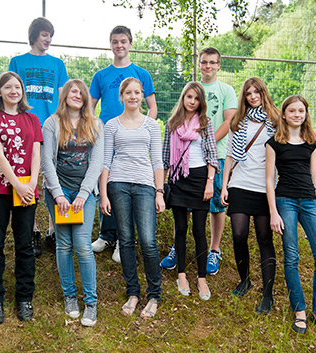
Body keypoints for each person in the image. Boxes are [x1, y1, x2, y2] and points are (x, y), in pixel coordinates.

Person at [265, 95, 316, 337]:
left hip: (309, 203)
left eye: (301, 111)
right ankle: (299, 310)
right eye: (292, 111)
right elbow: (269, 180)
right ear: (284, 114)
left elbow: (315, 177)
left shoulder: (312, 143)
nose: (297, 114)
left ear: (306, 114)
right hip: (285, 201)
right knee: (292, 258)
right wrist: (273, 212)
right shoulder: (274, 143)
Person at [161, 47, 237, 276]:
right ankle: (178, 245)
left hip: (216, 153)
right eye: (204, 62)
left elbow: (229, 121)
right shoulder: (191, 90)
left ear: (219, 65)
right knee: (181, 206)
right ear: (199, 64)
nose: (208, 66)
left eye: (213, 63)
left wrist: (206, 141)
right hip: (185, 160)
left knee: (215, 203)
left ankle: (214, 249)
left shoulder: (226, 90)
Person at [89, 25, 158, 263]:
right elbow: (90, 108)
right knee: (107, 182)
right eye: (115, 41)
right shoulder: (100, 76)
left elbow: (153, 107)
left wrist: (141, 130)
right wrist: (96, 130)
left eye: (123, 41)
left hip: (133, 139)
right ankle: (106, 234)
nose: (119, 45)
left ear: (130, 44)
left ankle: (122, 239)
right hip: (109, 137)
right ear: (111, 44)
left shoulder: (142, 74)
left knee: (128, 185)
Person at [99, 77, 165, 318]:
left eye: (138, 93)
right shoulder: (112, 125)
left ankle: (154, 294)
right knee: (125, 240)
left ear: (142, 96)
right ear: (121, 96)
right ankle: (133, 293)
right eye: (129, 93)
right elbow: (105, 162)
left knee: (148, 241)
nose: (134, 97)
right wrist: (103, 194)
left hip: (145, 185)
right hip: (118, 185)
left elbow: (157, 161)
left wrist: (159, 192)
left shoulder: (151, 125)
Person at [41, 79, 104, 327]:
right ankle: (70, 297)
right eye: (73, 91)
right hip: (58, 192)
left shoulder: (95, 124)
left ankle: (91, 302)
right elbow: (47, 161)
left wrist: (82, 194)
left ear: (86, 98)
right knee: (63, 244)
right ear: (65, 95)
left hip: (84, 194)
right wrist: (58, 195)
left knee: (82, 245)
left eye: (81, 92)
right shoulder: (52, 123)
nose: (77, 95)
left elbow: (97, 163)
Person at [0, 71, 43, 324]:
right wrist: (17, 184)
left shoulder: (32, 119)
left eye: (17, 87)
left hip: (26, 193)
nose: (13, 91)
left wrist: (31, 184)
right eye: (8, 87)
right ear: (0, 92)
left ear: (22, 92)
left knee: (25, 245)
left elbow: (36, 154)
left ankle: (24, 297)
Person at [9, 17, 68, 257]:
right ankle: (32, 230)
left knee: (52, 176)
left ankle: (54, 231)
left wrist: (60, 123)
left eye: (50, 35)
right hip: (25, 126)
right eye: (44, 35)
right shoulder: (18, 61)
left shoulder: (57, 64)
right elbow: (11, 92)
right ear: (34, 35)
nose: (48, 39)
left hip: (51, 127)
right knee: (26, 178)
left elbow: (63, 97)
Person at [220, 77, 279, 314]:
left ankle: (268, 294)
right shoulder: (239, 121)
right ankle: (244, 279)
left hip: (264, 187)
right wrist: (224, 185)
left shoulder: (276, 121)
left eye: (257, 92)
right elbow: (230, 156)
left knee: (265, 239)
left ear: (263, 93)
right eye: (248, 93)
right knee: (238, 233)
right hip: (240, 184)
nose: (253, 96)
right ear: (244, 97)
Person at [162, 82, 219, 300]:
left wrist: (209, 182)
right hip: (178, 180)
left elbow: (212, 154)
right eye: (189, 97)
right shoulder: (172, 123)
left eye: (196, 98)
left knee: (198, 230)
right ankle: (182, 274)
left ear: (200, 102)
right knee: (181, 228)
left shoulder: (205, 123)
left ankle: (201, 278)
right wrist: (161, 186)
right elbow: (166, 155)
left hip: (199, 179)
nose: (192, 102)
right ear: (183, 98)